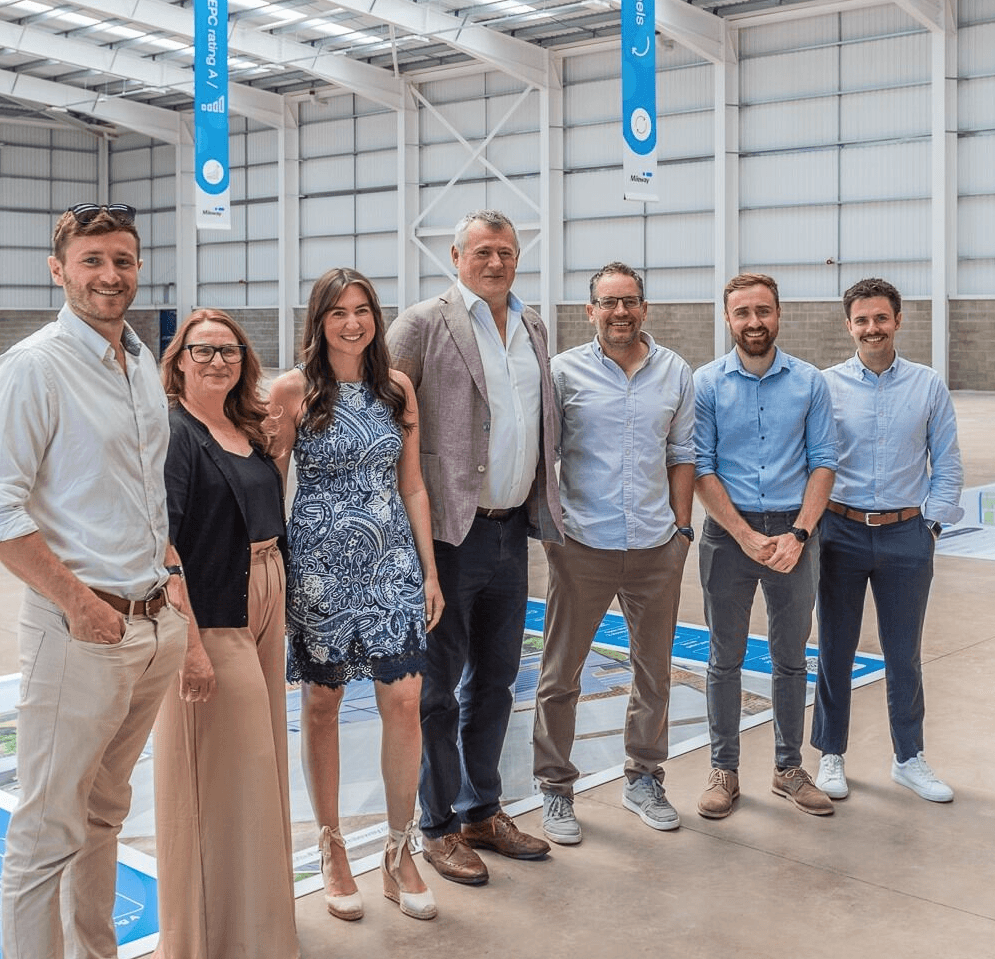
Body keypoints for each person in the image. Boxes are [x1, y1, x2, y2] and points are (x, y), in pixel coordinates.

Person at [0, 202, 188, 959]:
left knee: (102, 815)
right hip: (80, 632)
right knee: (46, 830)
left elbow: (143, 490)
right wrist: (81, 605)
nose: (109, 275)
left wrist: (168, 581)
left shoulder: (139, 364)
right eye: (92, 260)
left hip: (150, 624)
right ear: (58, 271)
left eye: (122, 259)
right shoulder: (33, 368)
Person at [386, 209, 563, 887]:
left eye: (506, 252)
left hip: (511, 531)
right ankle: (436, 825)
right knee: (438, 690)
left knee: (496, 680)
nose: (495, 262)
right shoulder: (421, 324)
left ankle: (481, 810)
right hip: (447, 535)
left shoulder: (532, 325)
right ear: (456, 257)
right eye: (482, 251)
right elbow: (384, 422)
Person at [269, 268, 443, 923]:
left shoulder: (396, 388)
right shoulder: (291, 390)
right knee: (322, 704)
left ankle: (399, 850)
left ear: (376, 316)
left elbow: (412, 484)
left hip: (392, 563)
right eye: (337, 311)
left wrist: (428, 571)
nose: (351, 323)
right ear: (318, 320)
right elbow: (271, 488)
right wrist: (270, 573)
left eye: (362, 309)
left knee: (405, 701)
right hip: (318, 569)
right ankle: (332, 846)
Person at [152, 309, 297, 958]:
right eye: (202, 350)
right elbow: (161, 544)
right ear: (178, 359)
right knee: (215, 781)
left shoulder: (245, 427)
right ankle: (199, 941)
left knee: (259, 775)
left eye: (229, 350)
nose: (217, 360)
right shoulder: (175, 433)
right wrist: (188, 645)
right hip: (211, 616)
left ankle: (259, 933)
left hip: (262, 600)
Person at [533, 262, 694, 844]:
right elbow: (544, 455)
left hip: (655, 547)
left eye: (629, 302)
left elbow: (682, 453)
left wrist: (681, 533)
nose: (619, 312)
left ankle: (644, 778)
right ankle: (555, 787)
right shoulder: (563, 372)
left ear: (644, 308)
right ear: (590, 311)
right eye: (608, 302)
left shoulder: (675, 371)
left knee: (654, 673)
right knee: (560, 676)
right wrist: (553, 530)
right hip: (583, 546)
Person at [811, 278, 964, 804]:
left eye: (881, 318)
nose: (872, 328)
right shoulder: (826, 386)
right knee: (835, 650)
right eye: (862, 320)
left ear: (898, 321)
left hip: (906, 535)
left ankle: (908, 757)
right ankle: (831, 753)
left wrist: (931, 525)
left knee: (904, 654)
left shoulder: (927, 385)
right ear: (848, 326)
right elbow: (811, 460)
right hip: (840, 533)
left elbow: (947, 462)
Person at [693, 272, 838, 820]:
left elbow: (824, 462)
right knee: (724, 657)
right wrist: (745, 534)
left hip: (795, 533)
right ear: (727, 318)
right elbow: (701, 466)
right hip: (728, 534)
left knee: (791, 657)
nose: (754, 322)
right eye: (743, 312)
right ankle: (723, 770)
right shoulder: (706, 383)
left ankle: (788, 768)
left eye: (763, 311)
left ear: (778, 314)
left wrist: (799, 534)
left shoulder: (809, 382)